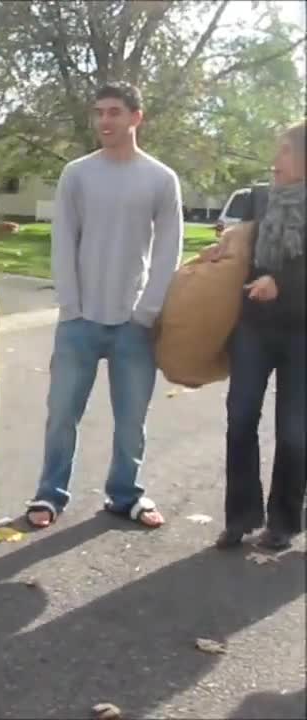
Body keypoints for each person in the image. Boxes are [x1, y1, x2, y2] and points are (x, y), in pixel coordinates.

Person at [24, 81, 184, 530]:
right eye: (99, 113)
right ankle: (49, 493)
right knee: (61, 416)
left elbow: (169, 251)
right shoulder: (76, 173)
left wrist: (147, 312)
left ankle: (125, 494)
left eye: (114, 112)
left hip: (134, 322)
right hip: (79, 320)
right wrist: (70, 305)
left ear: (137, 117)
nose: (105, 121)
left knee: (132, 420)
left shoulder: (160, 178)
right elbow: (62, 241)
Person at [204, 120, 306, 551]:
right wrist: (222, 248)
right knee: (240, 417)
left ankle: (283, 521)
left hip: (301, 332)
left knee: (294, 430)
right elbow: (243, 240)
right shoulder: (260, 198)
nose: (275, 160)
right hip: (254, 327)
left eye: (284, 151)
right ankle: (240, 517)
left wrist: (281, 282)